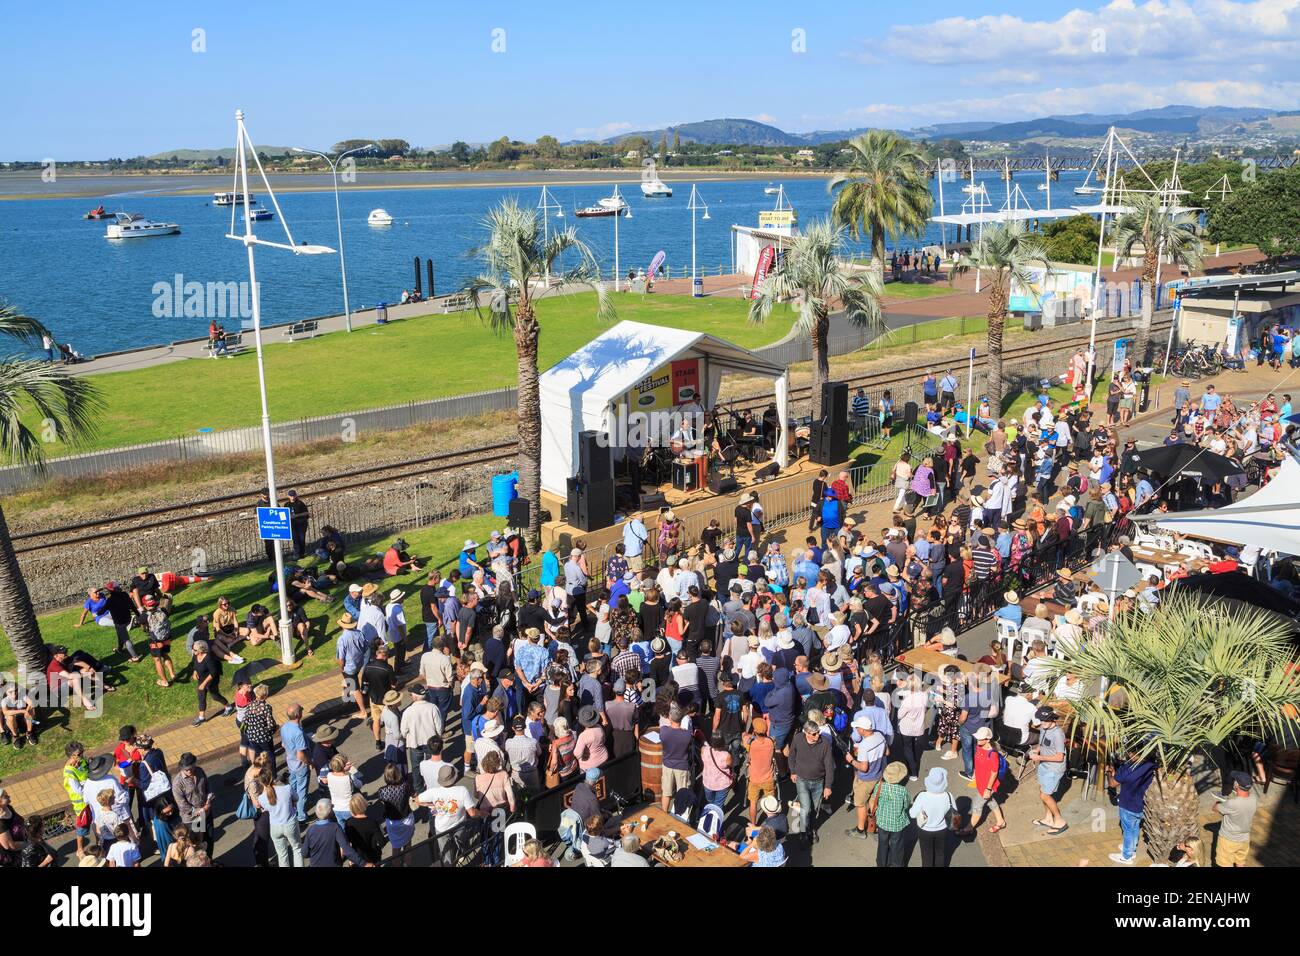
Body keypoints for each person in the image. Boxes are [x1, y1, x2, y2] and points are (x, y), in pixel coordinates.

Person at [1107, 748, 1156, 865]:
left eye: (1129, 752)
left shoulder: (1128, 768)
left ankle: (1126, 856)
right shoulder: (1152, 765)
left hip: (1127, 805)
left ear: (1132, 753)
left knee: (1128, 830)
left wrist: (1109, 773)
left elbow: (1112, 783)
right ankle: (1132, 849)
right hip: (1143, 805)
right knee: (1135, 827)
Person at [1028, 706, 1068, 834]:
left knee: (1044, 795)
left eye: (1045, 720)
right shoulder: (1044, 728)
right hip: (1044, 766)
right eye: (1041, 720)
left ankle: (1060, 820)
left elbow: (1060, 757)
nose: (1042, 722)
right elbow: (1043, 742)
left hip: (1054, 769)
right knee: (1043, 792)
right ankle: (1048, 818)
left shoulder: (1057, 734)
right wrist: (1037, 750)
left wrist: (1038, 756)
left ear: (1052, 719)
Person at [909, 767, 955, 867]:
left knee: (926, 854)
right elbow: (954, 810)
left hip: (924, 829)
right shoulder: (948, 795)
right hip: (942, 829)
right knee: (940, 853)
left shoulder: (922, 796)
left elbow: (912, 814)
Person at [965, 727, 1007, 835]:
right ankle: (1001, 821)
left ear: (988, 739)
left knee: (977, 806)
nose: (978, 741)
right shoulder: (979, 747)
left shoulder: (992, 755)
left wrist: (988, 789)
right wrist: (975, 773)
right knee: (991, 802)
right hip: (980, 782)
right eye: (978, 738)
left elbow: (994, 773)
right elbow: (977, 761)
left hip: (987, 786)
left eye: (980, 739)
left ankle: (968, 828)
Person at [1211, 772, 1258, 867]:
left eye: (1234, 781)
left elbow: (1215, 808)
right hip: (1244, 839)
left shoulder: (1232, 804)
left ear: (1236, 785)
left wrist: (1218, 802)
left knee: (1224, 864)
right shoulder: (1254, 798)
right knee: (1240, 863)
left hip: (1228, 840)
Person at [874, 761, 912, 867]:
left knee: (882, 842)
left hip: (882, 821)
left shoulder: (879, 787)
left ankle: (881, 863)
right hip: (897, 823)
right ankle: (896, 864)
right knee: (897, 844)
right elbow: (906, 805)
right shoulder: (902, 790)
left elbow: (875, 800)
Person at [190, 641, 233, 726]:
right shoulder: (195, 655)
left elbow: (213, 672)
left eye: (194, 649)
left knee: (215, 696)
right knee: (201, 696)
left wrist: (204, 684)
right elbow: (194, 665)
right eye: (193, 648)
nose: (193, 650)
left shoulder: (209, 658)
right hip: (201, 679)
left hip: (211, 680)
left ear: (201, 650)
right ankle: (201, 717)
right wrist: (194, 672)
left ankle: (228, 707)